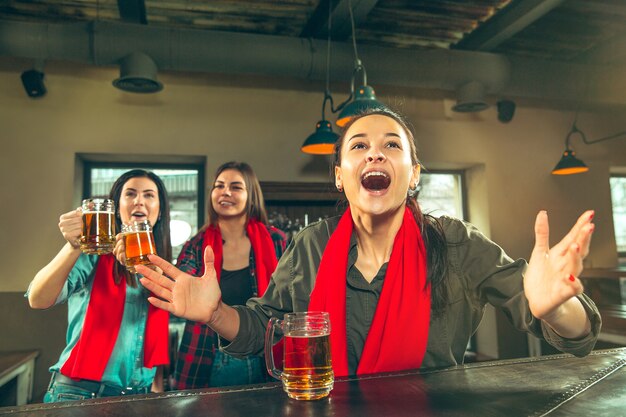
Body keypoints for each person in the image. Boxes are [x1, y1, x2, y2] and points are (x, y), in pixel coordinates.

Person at [138, 108, 600, 377]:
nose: (375, 152)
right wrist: (217, 314)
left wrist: (556, 306)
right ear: (340, 176)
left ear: (414, 175)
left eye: (392, 145)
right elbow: (267, 329)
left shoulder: (457, 243)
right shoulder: (310, 246)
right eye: (358, 145)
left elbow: (578, 339)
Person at [28, 169, 172, 401]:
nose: (139, 201)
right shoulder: (94, 254)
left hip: (140, 397)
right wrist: (74, 246)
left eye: (149, 195)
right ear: (115, 207)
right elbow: (38, 299)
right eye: (130, 194)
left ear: (160, 209)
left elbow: (153, 332)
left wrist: (156, 389)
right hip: (79, 395)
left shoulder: (164, 265)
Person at [171, 161, 287, 389]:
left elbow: (289, 299)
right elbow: (181, 287)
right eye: (219, 186)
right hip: (206, 354)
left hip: (265, 356)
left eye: (236, 187)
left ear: (251, 196)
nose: (225, 192)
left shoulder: (277, 241)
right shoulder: (195, 245)